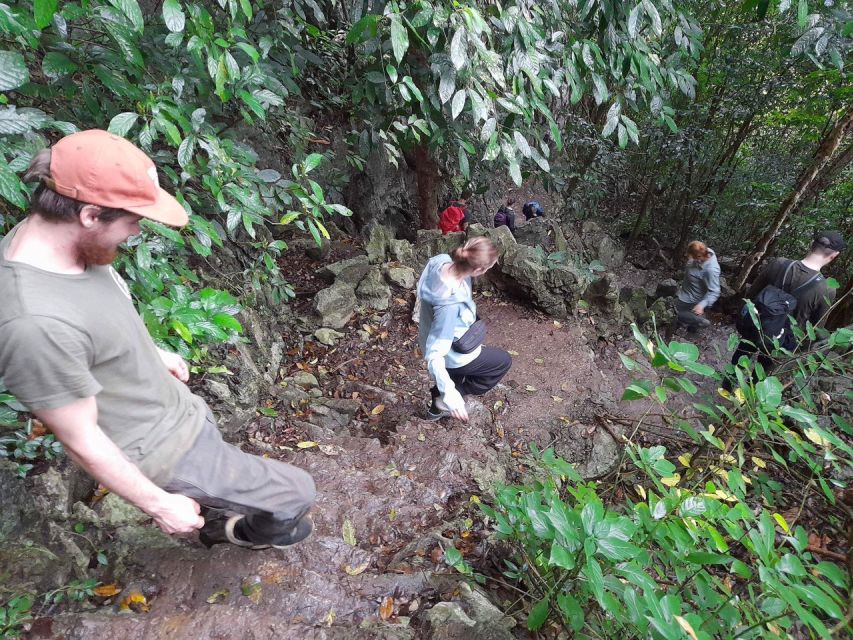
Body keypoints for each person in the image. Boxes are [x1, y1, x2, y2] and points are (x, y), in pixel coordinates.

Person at [0, 130, 315, 550]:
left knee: (246, 477)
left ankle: (222, 512)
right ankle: (237, 533)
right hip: (162, 451)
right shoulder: (33, 323)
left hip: (174, 409)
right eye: (133, 220)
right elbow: (80, 440)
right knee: (297, 492)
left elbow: (99, 310)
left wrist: (148, 350)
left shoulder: (58, 242)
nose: (135, 232)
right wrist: (160, 505)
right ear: (90, 214)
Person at [417, 237, 512, 423]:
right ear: (478, 270)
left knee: (455, 374)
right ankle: (442, 401)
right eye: (488, 267)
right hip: (452, 353)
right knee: (502, 362)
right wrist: (451, 396)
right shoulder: (449, 305)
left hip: (430, 332)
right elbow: (435, 355)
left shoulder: (439, 260)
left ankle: (434, 411)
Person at [728, 230, 845, 378]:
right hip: (783, 339)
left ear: (812, 245)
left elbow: (751, 294)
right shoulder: (827, 289)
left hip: (757, 322)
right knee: (764, 369)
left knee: (742, 352)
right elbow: (816, 328)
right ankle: (747, 398)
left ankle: (727, 386)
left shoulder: (779, 263)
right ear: (834, 256)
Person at [673, 241, 721, 333]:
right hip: (686, 291)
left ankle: (700, 322)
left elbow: (715, 291)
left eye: (694, 258)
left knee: (673, 310)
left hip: (690, 298)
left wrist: (701, 305)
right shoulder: (707, 252)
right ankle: (691, 325)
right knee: (677, 309)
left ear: (699, 257)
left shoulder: (710, 270)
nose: (691, 260)